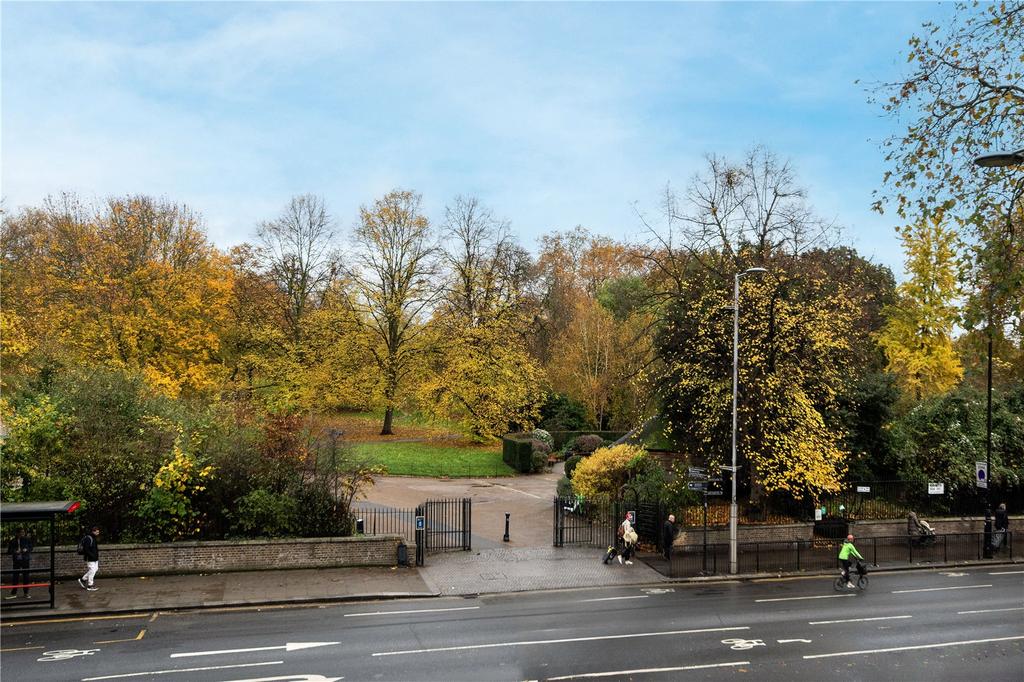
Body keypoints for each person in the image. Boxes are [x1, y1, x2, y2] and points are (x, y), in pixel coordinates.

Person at [6, 528, 33, 599]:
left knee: (26, 577)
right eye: (21, 532)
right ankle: (14, 593)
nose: (23, 533)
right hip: (17, 561)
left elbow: (31, 547)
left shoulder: (27, 539)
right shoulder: (13, 541)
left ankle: (26, 593)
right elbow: (9, 551)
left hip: (25, 560)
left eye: (23, 532)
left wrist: (26, 549)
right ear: (17, 533)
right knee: (15, 577)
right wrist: (15, 551)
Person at [78, 526, 100, 591]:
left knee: (95, 569)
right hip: (90, 558)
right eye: (97, 532)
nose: (98, 533)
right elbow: (86, 549)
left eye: (98, 532)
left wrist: (95, 556)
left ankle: (83, 579)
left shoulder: (94, 538)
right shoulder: (88, 538)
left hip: (95, 558)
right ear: (93, 531)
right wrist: (92, 555)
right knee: (92, 570)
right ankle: (90, 585)